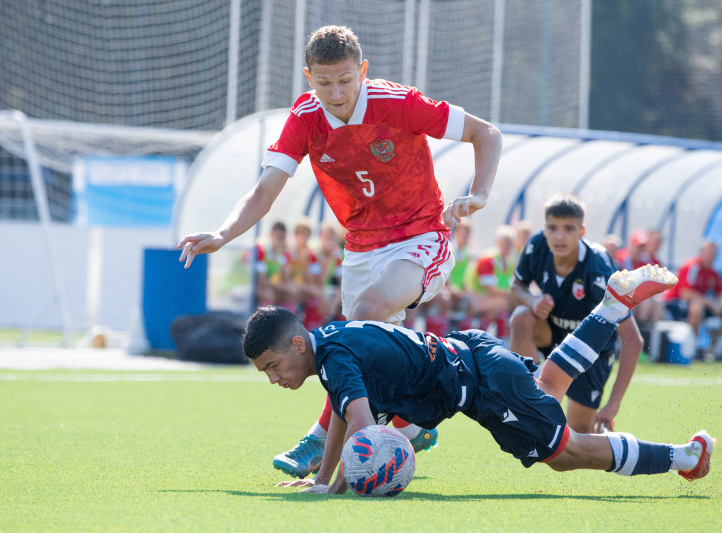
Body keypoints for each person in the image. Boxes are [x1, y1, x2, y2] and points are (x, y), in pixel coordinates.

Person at [177, 25, 503, 478]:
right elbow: (263, 192)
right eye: (323, 82)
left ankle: (318, 439)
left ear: (363, 71)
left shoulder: (399, 103)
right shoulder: (305, 116)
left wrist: (479, 193)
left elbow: (487, 133)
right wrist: (222, 233)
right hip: (361, 249)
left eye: (345, 80)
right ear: (308, 76)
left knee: (363, 318)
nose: (334, 93)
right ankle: (407, 428)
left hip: (420, 236)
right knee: (358, 352)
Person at [244, 265, 714, 495]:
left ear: (297, 345)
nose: (273, 378)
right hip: (474, 356)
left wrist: (341, 484)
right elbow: (347, 419)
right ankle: (611, 306)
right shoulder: (330, 342)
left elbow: (363, 430)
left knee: (566, 453)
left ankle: (685, 456)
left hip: (480, 384)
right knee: (548, 390)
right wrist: (325, 479)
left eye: (272, 366)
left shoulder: (332, 360)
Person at [508, 194, 644, 434]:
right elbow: (516, 287)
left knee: (579, 433)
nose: (559, 236)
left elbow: (633, 339)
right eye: (553, 228)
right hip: (553, 335)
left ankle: (613, 443)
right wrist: (533, 299)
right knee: (521, 316)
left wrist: (613, 404)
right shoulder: (537, 245)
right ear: (545, 228)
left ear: (582, 232)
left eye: (568, 229)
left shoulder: (599, 267)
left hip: (592, 352)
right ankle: (531, 401)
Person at [663, 241, 722, 360]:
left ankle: (718, 350)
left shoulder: (713, 272)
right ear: (702, 252)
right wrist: (710, 304)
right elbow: (685, 293)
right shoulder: (692, 266)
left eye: (714, 253)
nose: (711, 256)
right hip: (676, 303)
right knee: (697, 307)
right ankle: (693, 346)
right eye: (709, 253)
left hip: (700, 303)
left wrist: (719, 305)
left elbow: (720, 294)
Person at [465, 224, 517, 339]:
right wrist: (512, 294)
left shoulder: (510, 262)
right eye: (504, 242)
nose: (507, 246)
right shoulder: (488, 259)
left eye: (509, 242)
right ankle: (494, 339)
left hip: (492, 300)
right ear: (498, 242)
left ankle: (486, 338)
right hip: (473, 297)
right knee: (503, 303)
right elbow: (491, 289)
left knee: (500, 306)